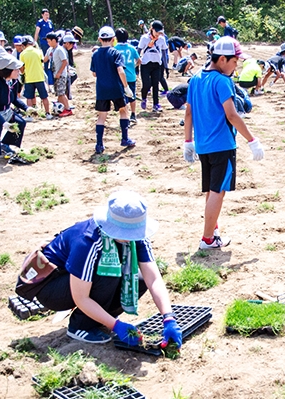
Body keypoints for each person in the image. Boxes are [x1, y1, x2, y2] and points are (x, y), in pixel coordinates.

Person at [16, 190, 182, 348]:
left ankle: (100, 317)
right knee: (108, 274)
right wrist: (116, 326)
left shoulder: (136, 237)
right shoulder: (88, 241)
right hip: (52, 287)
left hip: (81, 282)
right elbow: (80, 297)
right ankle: (80, 326)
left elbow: (153, 278)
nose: (132, 237)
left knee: (138, 279)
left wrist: (168, 318)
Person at [183, 37, 265, 250]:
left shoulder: (196, 78)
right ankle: (208, 238)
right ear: (221, 59)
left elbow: (189, 112)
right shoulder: (222, 81)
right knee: (218, 191)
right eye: (234, 61)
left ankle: (213, 230)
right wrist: (252, 140)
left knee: (212, 190)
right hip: (222, 145)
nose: (236, 65)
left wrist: (188, 142)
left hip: (203, 145)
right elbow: (232, 114)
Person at [90, 26, 136, 154]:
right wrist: (126, 87)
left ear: (100, 39)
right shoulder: (116, 53)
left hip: (102, 89)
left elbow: (94, 74)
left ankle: (99, 144)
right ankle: (125, 138)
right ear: (113, 39)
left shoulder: (95, 54)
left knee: (102, 116)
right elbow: (120, 70)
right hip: (116, 88)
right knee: (123, 111)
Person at [20, 35, 52, 119]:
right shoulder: (39, 51)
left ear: (24, 44)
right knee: (44, 97)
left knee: (29, 98)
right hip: (39, 77)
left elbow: (22, 68)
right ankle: (48, 113)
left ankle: (29, 116)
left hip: (29, 78)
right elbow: (42, 63)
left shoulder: (22, 54)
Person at [114, 28, 141, 125]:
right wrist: (133, 66)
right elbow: (139, 60)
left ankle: (125, 117)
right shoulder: (132, 48)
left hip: (120, 77)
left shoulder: (115, 49)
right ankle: (133, 114)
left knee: (123, 98)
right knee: (132, 96)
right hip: (131, 76)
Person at [138, 21, 166, 113]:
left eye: (160, 32)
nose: (158, 34)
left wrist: (165, 66)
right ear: (152, 29)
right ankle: (144, 98)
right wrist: (137, 62)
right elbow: (139, 50)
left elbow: (164, 52)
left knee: (155, 85)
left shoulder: (162, 39)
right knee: (146, 84)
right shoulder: (144, 38)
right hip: (145, 64)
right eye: (157, 32)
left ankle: (156, 104)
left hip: (157, 64)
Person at [44, 32, 72, 116]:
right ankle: (61, 108)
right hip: (54, 75)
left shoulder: (59, 49)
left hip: (61, 75)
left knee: (61, 93)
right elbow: (44, 59)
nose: (47, 43)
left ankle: (68, 109)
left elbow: (65, 61)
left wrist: (59, 72)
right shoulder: (50, 50)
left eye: (49, 41)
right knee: (58, 93)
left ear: (53, 40)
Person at [34, 9, 54, 85]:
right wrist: (35, 43)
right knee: (45, 60)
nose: (47, 16)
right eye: (45, 14)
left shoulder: (50, 22)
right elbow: (37, 33)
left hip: (51, 43)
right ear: (42, 15)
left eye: (48, 14)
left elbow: (52, 32)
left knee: (51, 60)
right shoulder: (40, 23)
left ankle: (51, 79)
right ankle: (46, 80)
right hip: (44, 43)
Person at [62, 34, 78, 100]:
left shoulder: (65, 51)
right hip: (63, 73)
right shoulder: (63, 51)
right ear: (68, 43)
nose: (73, 46)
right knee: (63, 91)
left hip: (65, 72)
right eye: (72, 44)